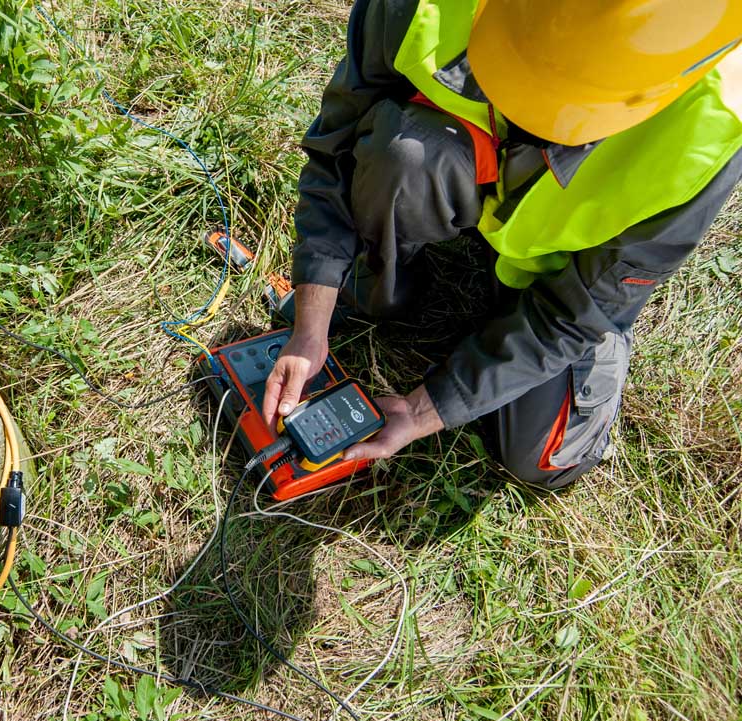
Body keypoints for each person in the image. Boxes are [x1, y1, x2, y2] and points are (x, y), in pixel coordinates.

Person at [262, 0, 742, 488]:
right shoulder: (425, 8)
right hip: (458, 154)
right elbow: (334, 149)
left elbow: (576, 313)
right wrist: (311, 324)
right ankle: (373, 281)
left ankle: (576, 349)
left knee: (541, 459)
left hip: (561, 275)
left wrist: (423, 409)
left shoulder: (710, 126)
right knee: (401, 159)